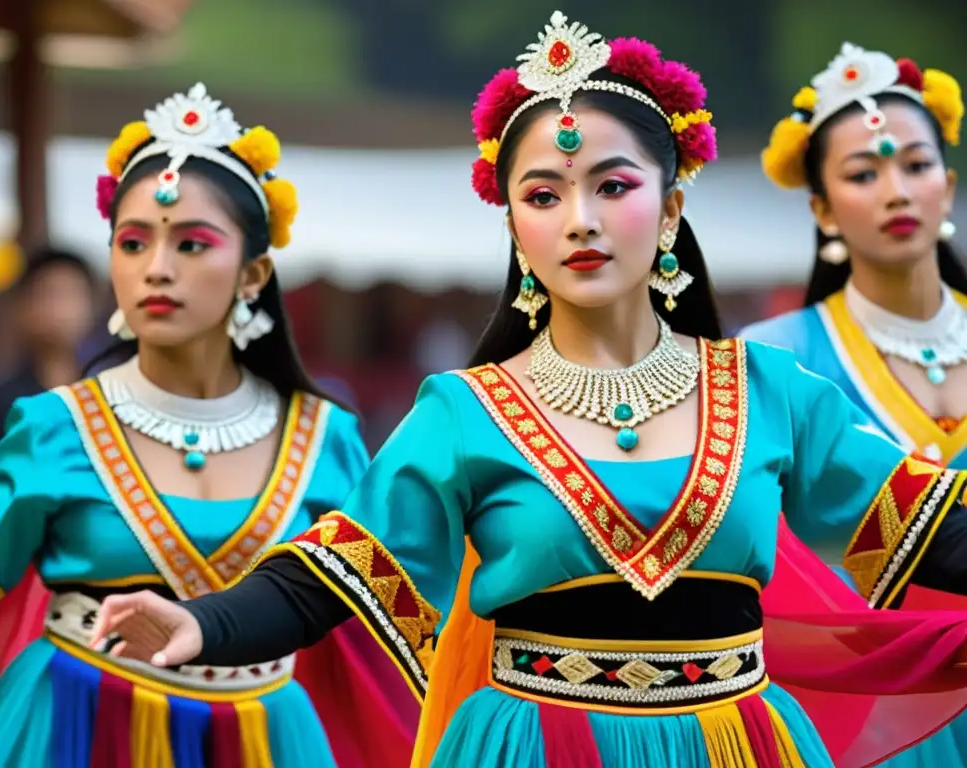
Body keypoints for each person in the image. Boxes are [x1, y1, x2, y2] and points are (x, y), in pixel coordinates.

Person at [93, 15, 967, 768]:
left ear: (668, 212)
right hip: (532, 744)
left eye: (613, 186)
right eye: (544, 195)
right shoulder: (463, 412)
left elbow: (934, 528)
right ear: (514, 223)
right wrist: (202, 623)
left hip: (735, 742)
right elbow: (338, 570)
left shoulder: (771, 389)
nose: (579, 218)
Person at [0, 83, 414, 766]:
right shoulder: (54, 428)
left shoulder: (326, 439)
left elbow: (391, 624)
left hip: (262, 740)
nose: (156, 269)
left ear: (253, 273)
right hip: (78, 732)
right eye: (132, 243)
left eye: (192, 244)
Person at [743, 42, 967, 766]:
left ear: (949, 182)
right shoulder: (772, 360)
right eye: (864, 174)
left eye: (915, 164)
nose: (896, 190)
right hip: (870, 709)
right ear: (823, 208)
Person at [0, 245, 96, 748]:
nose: (59, 308)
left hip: (92, 580)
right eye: (47, 295)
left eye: (70, 295)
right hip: (9, 582)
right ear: (26, 307)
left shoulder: (111, 392)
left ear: (91, 304)